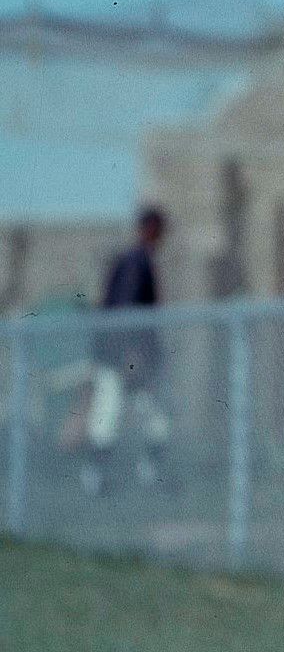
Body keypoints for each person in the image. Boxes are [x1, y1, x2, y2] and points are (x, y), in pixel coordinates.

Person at [82, 205, 170, 495]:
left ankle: (149, 474)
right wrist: (130, 356)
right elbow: (125, 309)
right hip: (122, 357)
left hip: (127, 356)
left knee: (151, 416)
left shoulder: (139, 260)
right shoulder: (135, 261)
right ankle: (94, 478)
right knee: (109, 414)